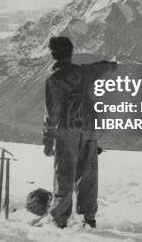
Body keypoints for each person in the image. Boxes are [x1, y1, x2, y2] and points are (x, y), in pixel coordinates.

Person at [42, 36, 117, 229]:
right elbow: (102, 67)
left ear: (53, 54)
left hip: (67, 130)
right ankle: (89, 218)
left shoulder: (54, 80)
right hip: (89, 128)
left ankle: (59, 220)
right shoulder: (84, 72)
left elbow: (53, 113)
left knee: (65, 175)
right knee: (88, 173)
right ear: (71, 52)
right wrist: (110, 65)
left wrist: (48, 139)